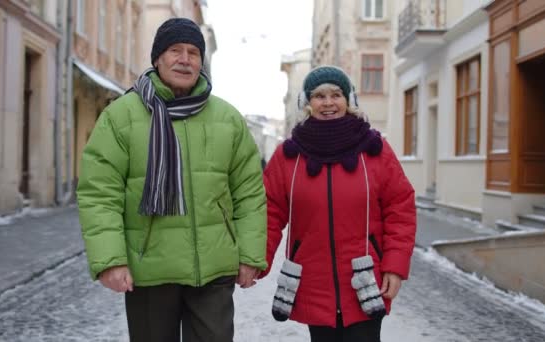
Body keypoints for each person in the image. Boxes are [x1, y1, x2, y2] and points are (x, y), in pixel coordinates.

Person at [76, 17, 267, 342]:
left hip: (213, 269)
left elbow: (249, 193)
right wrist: (111, 259)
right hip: (149, 269)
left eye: (193, 52)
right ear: (157, 58)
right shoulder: (120, 116)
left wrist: (250, 255)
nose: (184, 59)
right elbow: (99, 193)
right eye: (175, 50)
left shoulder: (227, 119)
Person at [262, 65, 416, 342]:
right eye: (319, 96)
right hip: (313, 281)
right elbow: (269, 212)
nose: (329, 103)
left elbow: (399, 208)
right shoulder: (289, 156)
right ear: (307, 103)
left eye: (336, 94)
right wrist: (255, 261)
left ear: (349, 100)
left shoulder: (375, 150)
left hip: (366, 281)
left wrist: (394, 265)